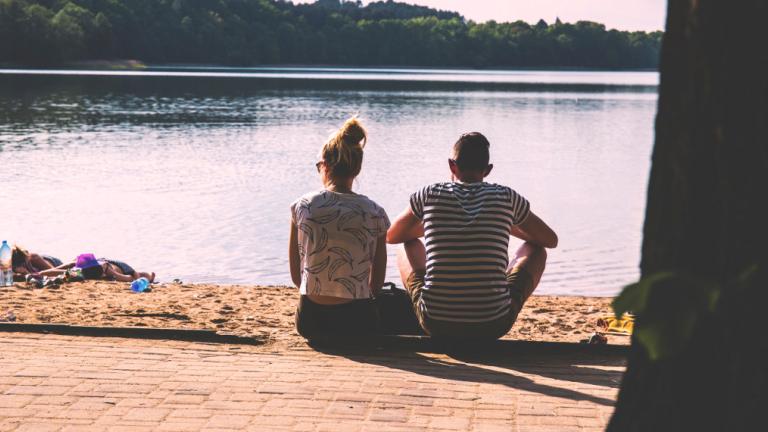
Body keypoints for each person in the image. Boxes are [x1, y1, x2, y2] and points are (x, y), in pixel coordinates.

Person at [387, 132, 558, 342]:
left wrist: (437, 223)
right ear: (487, 170)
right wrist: (505, 222)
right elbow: (550, 240)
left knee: (406, 244)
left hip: (436, 321)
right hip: (493, 323)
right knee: (536, 249)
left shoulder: (430, 193)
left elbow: (392, 236)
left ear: (452, 166)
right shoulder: (506, 197)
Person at [289, 117, 390, 341]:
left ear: (325, 166)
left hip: (311, 321)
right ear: (357, 169)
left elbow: (298, 278)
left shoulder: (302, 206)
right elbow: (376, 284)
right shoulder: (375, 212)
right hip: (357, 323)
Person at [32, 253, 155, 283]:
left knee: (139, 274)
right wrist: (41, 273)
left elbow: (130, 278)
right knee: (70, 266)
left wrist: (138, 279)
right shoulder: (82, 272)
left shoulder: (108, 271)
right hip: (93, 263)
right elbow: (64, 270)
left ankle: (150, 275)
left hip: (118, 266)